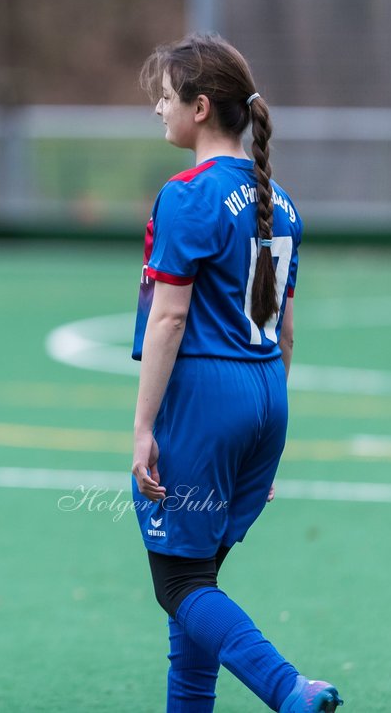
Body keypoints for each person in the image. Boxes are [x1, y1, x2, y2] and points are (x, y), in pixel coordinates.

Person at [130, 36, 343, 713]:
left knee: (179, 586)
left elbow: (168, 320)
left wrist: (142, 427)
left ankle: (289, 689)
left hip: (204, 400)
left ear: (199, 107)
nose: (158, 110)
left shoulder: (187, 194)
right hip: (264, 396)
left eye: (165, 98)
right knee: (198, 588)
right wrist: (262, 438)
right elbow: (284, 330)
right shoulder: (280, 201)